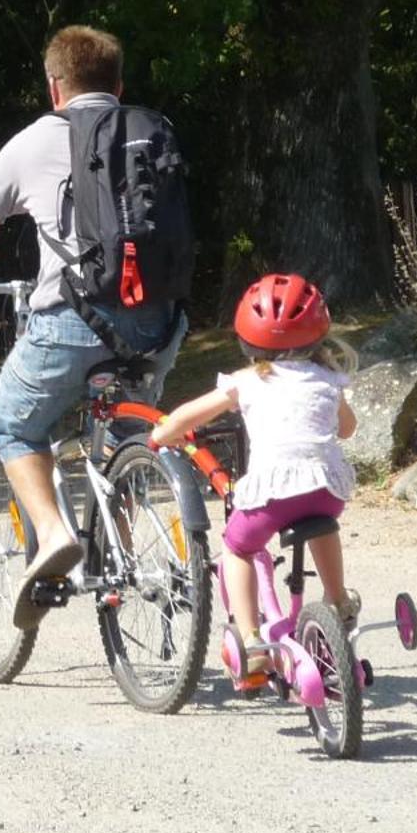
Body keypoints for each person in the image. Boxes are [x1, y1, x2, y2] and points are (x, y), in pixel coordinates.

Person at [0, 25, 186, 630]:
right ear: (118, 84)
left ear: (54, 87)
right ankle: (123, 564)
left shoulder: (32, 143)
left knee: (11, 425)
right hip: (158, 327)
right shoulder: (150, 129)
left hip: (73, 321)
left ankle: (58, 535)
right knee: (123, 439)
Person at [150, 273, 358, 691]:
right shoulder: (328, 381)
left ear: (248, 336)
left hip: (273, 496)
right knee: (323, 526)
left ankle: (251, 643)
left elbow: (188, 416)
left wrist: (162, 434)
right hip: (326, 491)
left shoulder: (247, 381)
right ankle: (337, 602)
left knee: (238, 548)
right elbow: (347, 430)